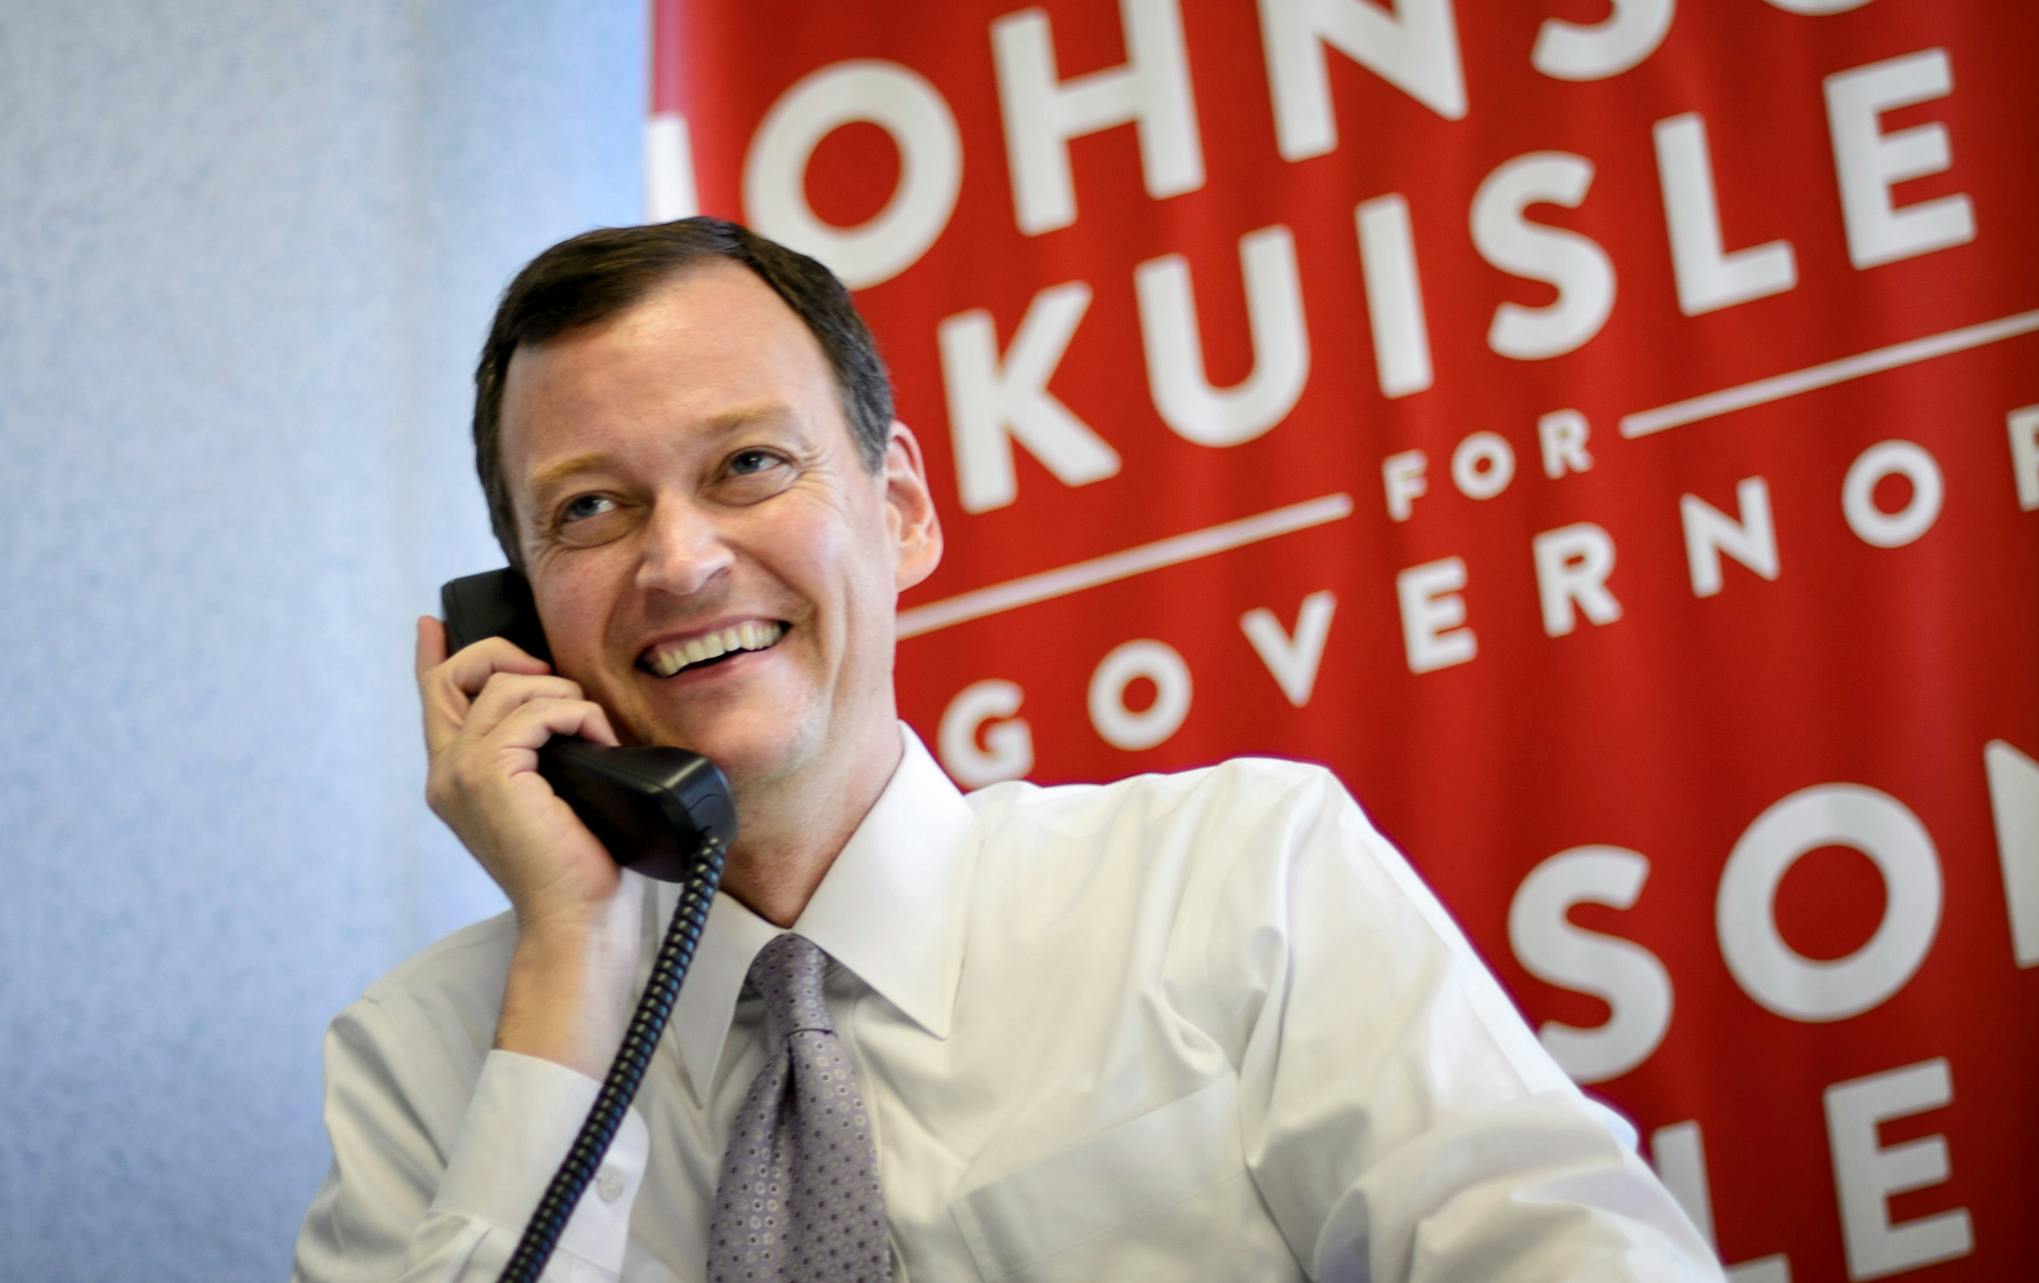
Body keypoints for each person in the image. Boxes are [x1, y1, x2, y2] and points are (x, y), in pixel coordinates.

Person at [292, 217, 1721, 1282]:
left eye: (747, 465)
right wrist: (565, 975)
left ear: (900, 509)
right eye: (590, 511)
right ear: (516, 619)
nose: (679, 563)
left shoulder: (1244, 881)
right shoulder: (428, 1061)